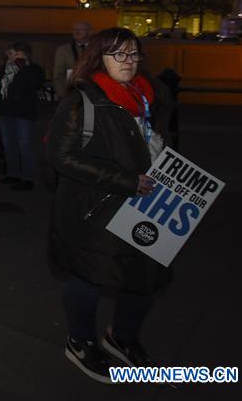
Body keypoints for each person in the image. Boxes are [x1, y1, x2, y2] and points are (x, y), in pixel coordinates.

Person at [47, 27, 167, 383]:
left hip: (143, 206)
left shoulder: (143, 96)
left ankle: (122, 337)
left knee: (145, 276)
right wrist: (126, 180)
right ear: (99, 58)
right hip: (95, 210)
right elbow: (60, 156)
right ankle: (80, 342)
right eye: (119, 54)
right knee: (91, 276)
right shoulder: (82, 101)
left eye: (133, 53)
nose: (128, 61)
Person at [0, 42, 45, 190]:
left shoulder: (33, 69)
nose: (12, 57)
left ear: (25, 54)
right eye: (10, 54)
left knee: (25, 144)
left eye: (15, 53)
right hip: (6, 111)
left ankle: (27, 178)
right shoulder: (3, 69)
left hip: (24, 111)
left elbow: (35, 83)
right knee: (8, 144)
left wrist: (22, 68)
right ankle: (13, 173)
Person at [53, 21, 93, 99]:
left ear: (90, 32)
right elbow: (58, 75)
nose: (77, 32)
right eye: (74, 29)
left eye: (81, 29)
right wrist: (62, 94)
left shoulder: (97, 48)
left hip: (93, 94)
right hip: (71, 94)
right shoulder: (63, 50)